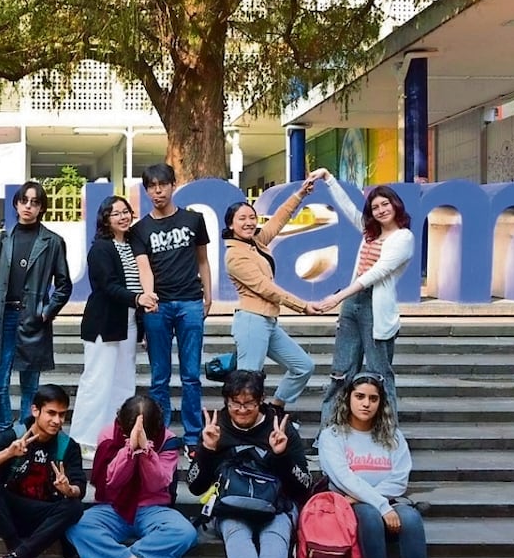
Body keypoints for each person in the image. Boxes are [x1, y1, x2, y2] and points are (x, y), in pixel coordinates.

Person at [318, 373, 448, 558]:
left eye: (373, 398)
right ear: (347, 399)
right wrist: (380, 504)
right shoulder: (332, 435)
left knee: (411, 518)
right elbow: (343, 477)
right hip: (347, 508)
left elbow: (399, 481)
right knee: (367, 514)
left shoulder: (393, 436)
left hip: (382, 502)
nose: (366, 403)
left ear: (381, 403)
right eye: (360, 397)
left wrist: (376, 500)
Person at [187, 370, 312, 558]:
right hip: (231, 507)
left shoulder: (281, 427)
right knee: (236, 531)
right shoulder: (216, 425)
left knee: (276, 534)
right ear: (226, 401)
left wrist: (281, 456)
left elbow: (304, 487)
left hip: (276, 505)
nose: (241, 410)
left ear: (262, 400)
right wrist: (208, 451)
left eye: (249, 404)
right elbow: (195, 485)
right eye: (235, 403)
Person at [312, 169, 414, 425]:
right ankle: (329, 431)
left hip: (375, 309)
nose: (380, 210)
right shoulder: (370, 232)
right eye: (375, 206)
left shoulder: (404, 237)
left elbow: (376, 273)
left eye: (385, 204)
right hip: (352, 305)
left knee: (380, 374)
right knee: (341, 371)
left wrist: (338, 297)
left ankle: (387, 434)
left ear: (395, 205)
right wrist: (328, 179)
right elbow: (348, 208)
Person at [0, 181, 72, 432]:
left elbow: (63, 285)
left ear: (41, 208)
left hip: (33, 319)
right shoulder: (2, 240)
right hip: (3, 317)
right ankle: (6, 431)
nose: (29, 206)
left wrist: (46, 312)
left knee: (30, 384)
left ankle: (26, 431)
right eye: (24, 201)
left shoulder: (53, 242)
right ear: (16, 204)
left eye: (35, 202)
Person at [66, 395, 197, 558]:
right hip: (113, 507)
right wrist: (129, 451)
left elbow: (157, 484)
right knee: (75, 525)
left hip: (153, 508)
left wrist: (146, 452)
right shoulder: (108, 434)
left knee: (185, 533)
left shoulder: (168, 440)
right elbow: (112, 481)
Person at [129, 163, 211, 456]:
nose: (157, 191)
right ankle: (159, 433)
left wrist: (208, 295)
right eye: (151, 186)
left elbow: (203, 259)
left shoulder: (193, 219)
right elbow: (144, 267)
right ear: (147, 189)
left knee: (191, 375)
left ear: (173, 184)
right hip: (159, 307)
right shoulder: (139, 229)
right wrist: (149, 297)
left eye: (162, 184)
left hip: (190, 302)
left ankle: (192, 436)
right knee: (159, 377)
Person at [0, 384, 86, 558]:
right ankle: (21, 556)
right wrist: (8, 453)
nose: (57, 420)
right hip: (9, 511)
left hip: (43, 516)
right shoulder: (14, 435)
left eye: (62, 415)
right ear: (35, 410)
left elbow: (80, 487)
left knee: (74, 506)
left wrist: (68, 489)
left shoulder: (68, 446)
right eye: (51, 413)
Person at [70, 196, 156, 458]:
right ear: (105, 219)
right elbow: (106, 286)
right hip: (104, 323)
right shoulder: (101, 249)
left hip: (129, 322)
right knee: (97, 380)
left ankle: (114, 434)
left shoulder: (133, 245)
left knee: (123, 382)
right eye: (115, 213)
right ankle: (84, 439)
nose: (122, 216)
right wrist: (137, 298)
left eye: (126, 211)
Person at [223, 179, 318, 415]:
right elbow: (266, 288)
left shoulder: (255, 243)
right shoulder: (235, 255)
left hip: (268, 321)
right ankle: (239, 431)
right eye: (242, 218)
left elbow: (278, 219)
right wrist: (302, 306)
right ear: (231, 225)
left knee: (303, 366)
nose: (248, 222)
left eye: (251, 217)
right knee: (246, 386)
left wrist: (300, 194)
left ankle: (275, 408)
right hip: (252, 322)